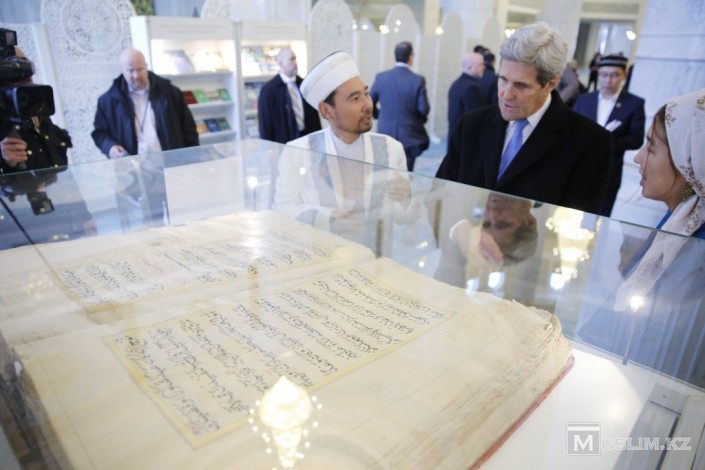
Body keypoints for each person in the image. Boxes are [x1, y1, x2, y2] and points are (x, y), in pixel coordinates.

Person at [578, 89, 705, 388]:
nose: (638, 157)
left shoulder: (697, 239)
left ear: (691, 160)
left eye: (652, 147)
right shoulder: (683, 217)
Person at [435, 22, 613, 214]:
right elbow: (440, 195)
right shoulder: (471, 124)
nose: (506, 95)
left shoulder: (591, 143)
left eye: (521, 85)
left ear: (551, 84)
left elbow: (574, 222)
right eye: (503, 79)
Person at [273, 52, 426, 251]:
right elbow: (282, 210)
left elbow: (403, 217)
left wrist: (406, 199)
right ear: (326, 110)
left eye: (366, 94)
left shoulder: (390, 149)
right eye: (355, 98)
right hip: (320, 261)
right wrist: (329, 218)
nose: (368, 105)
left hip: (376, 261)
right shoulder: (297, 152)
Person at [573, 54, 646, 217]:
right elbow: (572, 131)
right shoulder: (584, 100)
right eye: (604, 75)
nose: (608, 81)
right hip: (579, 171)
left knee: (600, 216)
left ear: (624, 75)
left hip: (609, 173)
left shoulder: (634, 103)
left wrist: (605, 140)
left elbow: (636, 139)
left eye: (614, 75)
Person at [92, 48, 198, 159]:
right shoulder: (108, 101)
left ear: (146, 67)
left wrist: (191, 159)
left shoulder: (170, 93)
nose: (136, 75)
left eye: (140, 69)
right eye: (130, 71)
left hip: (171, 162)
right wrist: (110, 147)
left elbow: (189, 129)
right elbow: (100, 133)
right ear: (122, 70)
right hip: (131, 166)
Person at [1, 47, 72, 174]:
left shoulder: (34, 106)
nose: (25, 82)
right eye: (15, 79)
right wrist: (4, 160)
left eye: (27, 78)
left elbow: (58, 161)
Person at [369, 41, 430, 171]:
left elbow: (369, 102)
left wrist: (379, 115)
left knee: (384, 171)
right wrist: (416, 120)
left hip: (385, 131)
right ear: (410, 57)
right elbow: (424, 109)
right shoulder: (417, 80)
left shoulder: (381, 77)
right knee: (405, 172)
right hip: (409, 135)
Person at [257, 47, 321, 144]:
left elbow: (314, 117)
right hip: (282, 144)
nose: (295, 62)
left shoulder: (304, 84)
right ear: (280, 63)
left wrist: (319, 140)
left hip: (307, 141)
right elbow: (265, 125)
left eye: (295, 59)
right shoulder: (268, 90)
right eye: (291, 59)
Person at [447, 51, 487, 135]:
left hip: (455, 134)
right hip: (465, 137)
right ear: (469, 67)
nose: (484, 67)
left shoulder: (456, 84)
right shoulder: (472, 88)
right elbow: (475, 119)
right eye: (480, 64)